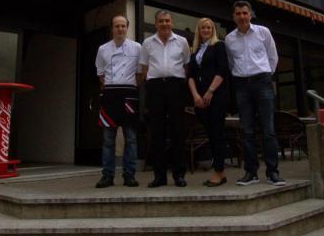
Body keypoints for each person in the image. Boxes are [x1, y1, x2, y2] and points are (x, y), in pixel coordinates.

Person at [225, 0, 285, 186]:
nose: (242, 16)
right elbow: (231, 63)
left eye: (245, 13)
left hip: (262, 82)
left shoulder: (263, 32)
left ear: (250, 14)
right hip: (242, 85)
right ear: (233, 17)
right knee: (247, 131)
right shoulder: (229, 39)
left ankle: (272, 172)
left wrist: (265, 75)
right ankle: (251, 173)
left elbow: (272, 57)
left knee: (268, 130)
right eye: (238, 14)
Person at [140, 10, 191, 187]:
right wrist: (151, 84)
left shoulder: (182, 42)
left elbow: (186, 66)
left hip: (176, 86)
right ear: (156, 24)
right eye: (161, 21)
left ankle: (179, 175)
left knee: (178, 131)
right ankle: (159, 176)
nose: (164, 24)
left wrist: (178, 84)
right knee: (157, 133)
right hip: (155, 88)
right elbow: (144, 68)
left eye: (167, 21)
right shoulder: (147, 43)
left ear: (172, 22)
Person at [95, 15, 142, 188]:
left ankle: (129, 175)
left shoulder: (137, 47)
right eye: (117, 26)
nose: (120, 29)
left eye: (123, 26)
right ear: (112, 28)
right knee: (108, 140)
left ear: (127, 27)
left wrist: (130, 87)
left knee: (131, 138)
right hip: (110, 95)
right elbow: (101, 74)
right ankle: (107, 176)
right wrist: (110, 89)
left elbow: (140, 73)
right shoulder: (102, 49)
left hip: (129, 94)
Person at [188, 17, 229, 187]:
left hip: (216, 96)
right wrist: (196, 96)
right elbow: (190, 75)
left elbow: (222, 70)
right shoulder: (195, 50)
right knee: (210, 135)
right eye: (203, 27)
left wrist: (210, 91)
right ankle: (219, 172)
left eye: (209, 27)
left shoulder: (218, 46)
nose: (206, 30)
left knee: (217, 134)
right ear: (198, 30)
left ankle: (219, 171)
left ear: (213, 30)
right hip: (200, 99)